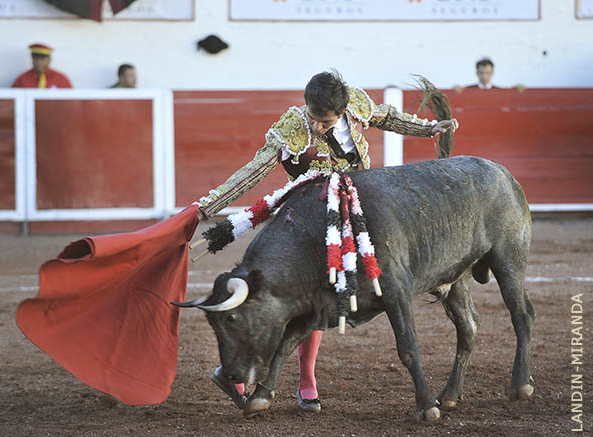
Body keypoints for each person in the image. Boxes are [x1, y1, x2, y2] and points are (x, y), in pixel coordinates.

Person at [195, 70, 459, 413]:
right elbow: (253, 170)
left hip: (358, 211)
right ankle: (245, 375)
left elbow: (389, 117)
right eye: (312, 118)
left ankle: (304, 381)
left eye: (325, 121)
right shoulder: (292, 125)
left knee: (328, 295)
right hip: (308, 221)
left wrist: (427, 128)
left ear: (343, 110)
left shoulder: (358, 103)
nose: (317, 127)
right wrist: (206, 208)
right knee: (294, 296)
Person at [454, 58, 524, 93]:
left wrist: (515, 90)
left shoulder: (499, 91)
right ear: (477, 73)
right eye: (481, 73)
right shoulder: (467, 90)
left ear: (492, 73)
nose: (484, 76)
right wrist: (455, 90)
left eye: (487, 73)